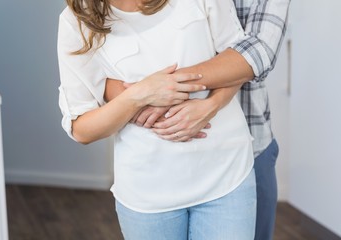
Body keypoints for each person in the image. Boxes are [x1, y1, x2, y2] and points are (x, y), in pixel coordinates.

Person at [57, 0, 257, 239]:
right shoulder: (76, 20)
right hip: (148, 191)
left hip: (227, 174)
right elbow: (82, 128)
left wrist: (212, 105)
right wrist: (138, 95)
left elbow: (242, 60)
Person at [105, 0, 291, 239]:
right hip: (158, 160)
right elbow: (104, 70)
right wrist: (140, 94)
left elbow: (257, 52)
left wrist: (166, 88)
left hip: (247, 147)